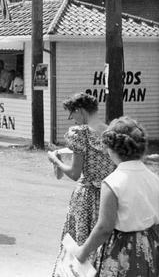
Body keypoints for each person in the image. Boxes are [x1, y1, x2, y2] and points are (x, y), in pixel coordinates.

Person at [74, 116, 159, 275]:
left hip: (123, 250)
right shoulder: (154, 179)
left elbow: (104, 228)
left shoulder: (112, 182)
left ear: (110, 149)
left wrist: (83, 252)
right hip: (150, 245)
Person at [47, 93, 116, 273]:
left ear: (80, 111)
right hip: (109, 195)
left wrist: (55, 160)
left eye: (72, 115)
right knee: (103, 243)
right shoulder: (112, 133)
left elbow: (75, 173)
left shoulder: (80, 134)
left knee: (78, 242)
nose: (74, 120)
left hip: (86, 196)